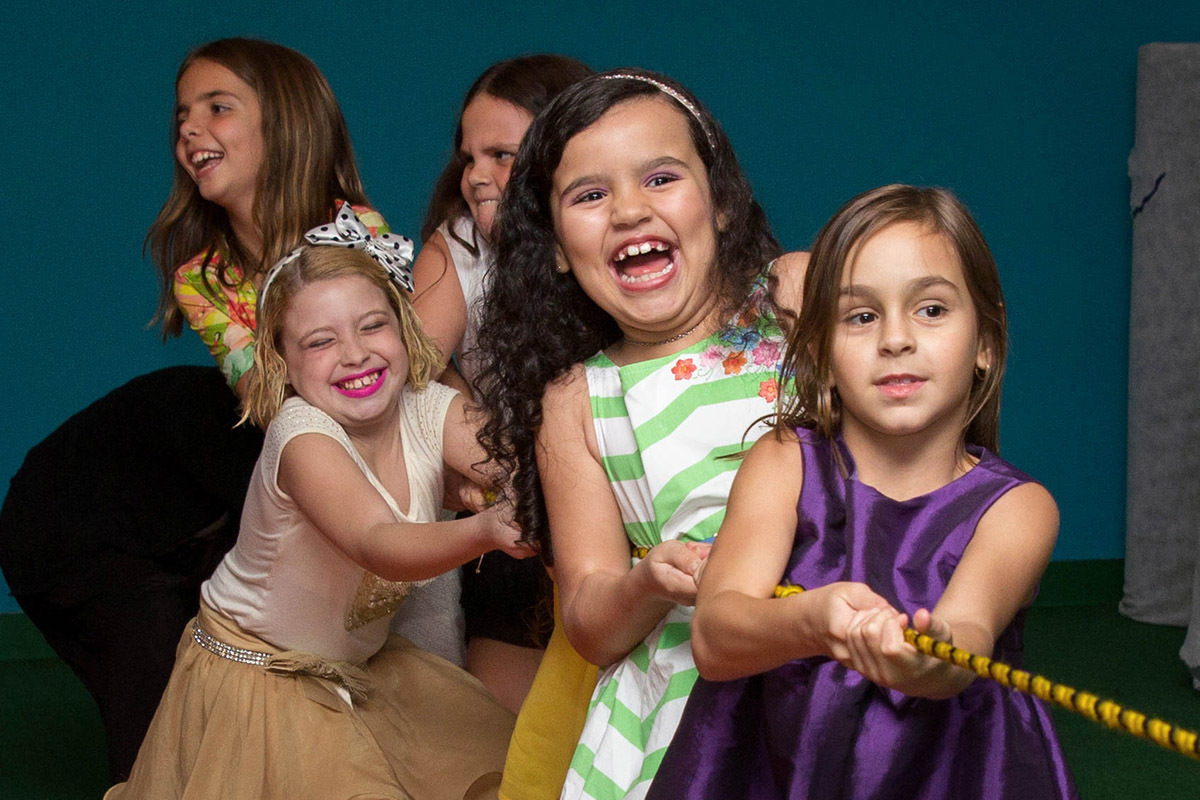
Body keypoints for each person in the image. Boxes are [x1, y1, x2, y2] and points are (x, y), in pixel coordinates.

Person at [648, 185, 1079, 799]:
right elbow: (715, 639)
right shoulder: (784, 462)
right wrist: (812, 622)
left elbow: (967, 635)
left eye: (931, 309)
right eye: (861, 316)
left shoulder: (1018, 508)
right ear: (820, 352)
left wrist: (929, 659)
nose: (895, 338)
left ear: (985, 340)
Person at [108, 208, 533, 800]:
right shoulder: (301, 434)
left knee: (497, 766)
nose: (354, 354)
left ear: (404, 328)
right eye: (321, 341)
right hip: (261, 676)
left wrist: (516, 485)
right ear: (282, 362)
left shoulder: (427, 406)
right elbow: (378, 543)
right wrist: (487, 527)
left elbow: (516, 461)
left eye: (372, 326)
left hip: (358, 668)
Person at [475, 68, 805, 799]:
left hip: (842, 664)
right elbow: (590, 623)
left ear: (721, 202)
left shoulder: (794, 297)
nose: (628, 210)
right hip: (688, 717)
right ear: (556, 247)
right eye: (589, 195)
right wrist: (647, 582)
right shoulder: (577, 402)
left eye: (660, 178)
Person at [151, 36, 467, 666]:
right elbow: (272, 398)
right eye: (182, 115)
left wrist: (459, 466)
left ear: (286, 122)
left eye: (217, 107)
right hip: (323, 493)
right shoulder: (205, 280)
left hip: (409, 473)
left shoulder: (355, 230)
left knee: (429, 646)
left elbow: (413, 366)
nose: (188, 128)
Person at [412, 54, 594, 713]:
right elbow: (402, 373)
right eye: (469, 157)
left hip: (615, 519)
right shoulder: (461, 247)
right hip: (517, 529)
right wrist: (477, 440)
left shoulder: (610, 245)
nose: (476, 177)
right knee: (502, 740)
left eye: (502, 155)